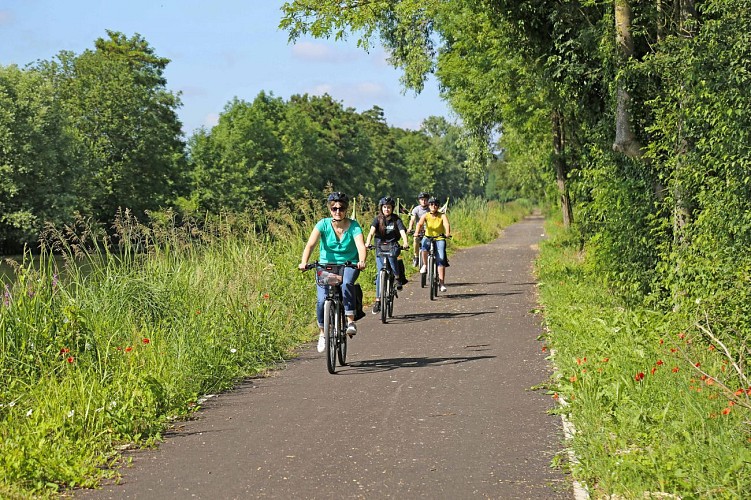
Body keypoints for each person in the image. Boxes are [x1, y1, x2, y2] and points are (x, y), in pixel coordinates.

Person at [299, 192, 367, 352]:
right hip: (326, 266)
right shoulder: (322, 224)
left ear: (346, 209)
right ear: (330, 209)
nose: (338, 211)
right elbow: (310, 245)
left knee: (347, 283)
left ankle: (350, 321)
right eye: (334, 208)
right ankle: (323, 333)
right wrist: (304, 262)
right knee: (322, 301)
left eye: (341, 208)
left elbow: (361, 246)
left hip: (348, 265)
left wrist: (361, 260)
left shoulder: (354, 226)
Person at [364, 196, 410, 314]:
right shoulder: (377, 219)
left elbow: (402, 232)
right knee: (380, 273)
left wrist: (405, 242)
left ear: (392, 208)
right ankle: (378, 300)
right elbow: (371, 233)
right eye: (384, 207)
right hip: (380, 246)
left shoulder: (396, 220)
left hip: (392, 245)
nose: (386, 209)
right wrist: (368, 243)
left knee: (392, 257)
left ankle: (397, 277)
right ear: (381, 208)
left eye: (388, 207)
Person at [415, 196, 451, 292]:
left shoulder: (442, 215)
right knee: (424, 247)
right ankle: (425, 265)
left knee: (441, 259)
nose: (433, 206)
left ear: (438, 206)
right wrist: (416, 233)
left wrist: (447, 233)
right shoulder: (426, 215)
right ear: (429, 205)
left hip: (439, 238)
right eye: (431, 204)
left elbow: (446, 224)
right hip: (428, 237)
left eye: (435, 204)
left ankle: (442, 283)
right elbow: (419, 224)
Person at [406, 192, 431, 267]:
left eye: (425, 200)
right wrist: (410, 228)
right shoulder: (416, 209)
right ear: (419, 200)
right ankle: (416, 256)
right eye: (422, 199)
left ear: (428, 200)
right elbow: (412, 220)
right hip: (418, 230)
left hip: (428, 230)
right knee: (416, 239)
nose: (423, 201)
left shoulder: (430, 209)